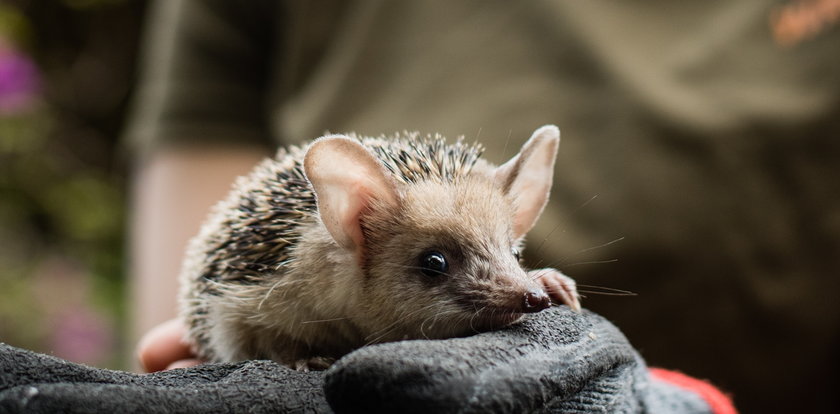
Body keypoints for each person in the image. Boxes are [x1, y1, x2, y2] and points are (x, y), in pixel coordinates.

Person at [126, 1, 840, 412]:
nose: (510, 286)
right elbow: (204, 318)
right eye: (435, 264)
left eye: (514, 254)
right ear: (356, 225)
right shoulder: (294, 290)